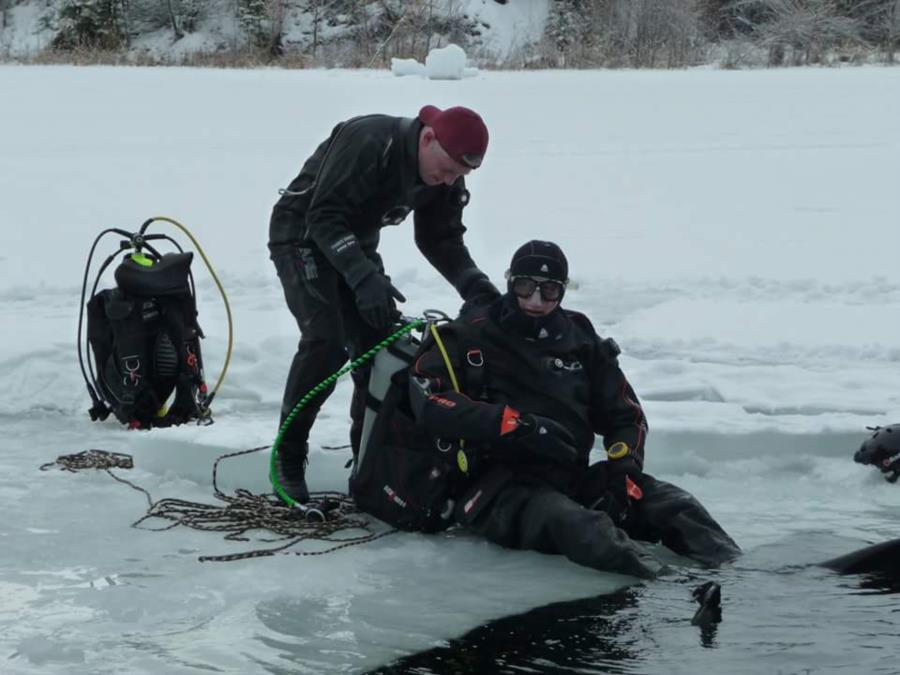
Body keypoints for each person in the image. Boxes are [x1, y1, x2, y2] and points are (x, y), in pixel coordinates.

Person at [407, 240, 741, 578]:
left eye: (549, 291)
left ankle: (739, 579)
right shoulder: (469, 335)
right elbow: (431, 403)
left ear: (562, 292)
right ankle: (671, 590)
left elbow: (625, 415)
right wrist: (517, 425)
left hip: (570, 477)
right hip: (497, 490)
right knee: (586, 530)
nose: (535, 301)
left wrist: (624, 468)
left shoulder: (579, 338)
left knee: (674, 506)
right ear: (509, 282)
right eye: (524, 287)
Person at [268, 105, 500, 503]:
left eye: (458, 177)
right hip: (301, 235)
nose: (447, 181)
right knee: (327, 341)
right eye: (445, 170)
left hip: (354, 244)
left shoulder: (445, 176)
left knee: (380, 345)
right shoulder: (371, 141)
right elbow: (322, 217)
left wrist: (478, 290)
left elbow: (440, 240)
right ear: (428, 139)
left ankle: (369, 460)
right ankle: (287, 456)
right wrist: (362, 278)